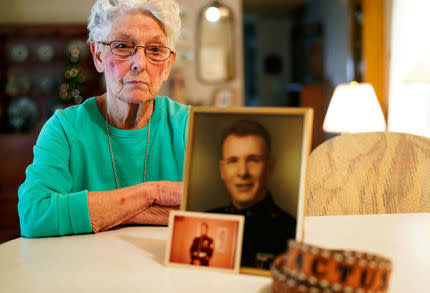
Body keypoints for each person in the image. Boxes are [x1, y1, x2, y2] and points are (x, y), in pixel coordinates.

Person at [18, 0, 188, 238]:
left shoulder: (190, 125)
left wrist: (109, 212)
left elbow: (223, 210)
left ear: (168, 64)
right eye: (122, 46)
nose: (139, 63)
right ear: (98, 55)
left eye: (156, 50)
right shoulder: (64, 129)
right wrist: (153, 193)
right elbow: (34, 215)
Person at [209, 120, 296, 269]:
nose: (243, 172)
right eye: (233, 161)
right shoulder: (206, 221)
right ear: (222, 170)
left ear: (270, 166)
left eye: (253, 160)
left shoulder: (291, 231)